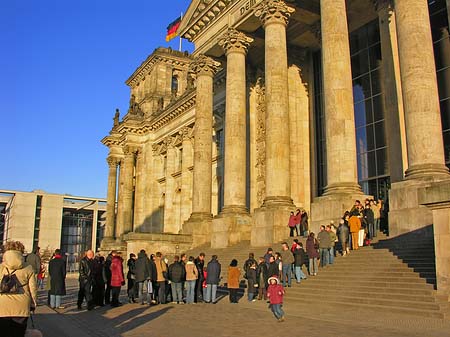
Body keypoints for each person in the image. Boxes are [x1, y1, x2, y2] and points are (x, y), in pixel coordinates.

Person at [0, 241, 38, 337]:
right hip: (21, 306)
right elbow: (33, 289)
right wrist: (33, 304)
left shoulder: (1, 268)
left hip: (2, 306)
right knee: (19, 333)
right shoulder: (28, 268)